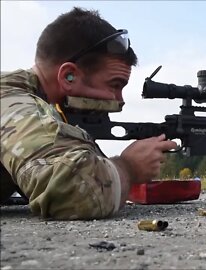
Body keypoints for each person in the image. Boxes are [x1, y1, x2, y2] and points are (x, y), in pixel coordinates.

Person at [0, 7, 177, 220]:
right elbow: (73, 191)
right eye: (115, 85)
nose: (119, 100)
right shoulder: (13, 100)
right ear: (69, 77)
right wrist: (128, 167)